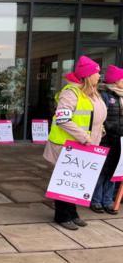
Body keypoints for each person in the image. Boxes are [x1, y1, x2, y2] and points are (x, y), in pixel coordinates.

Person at [44, 55, 107, 230]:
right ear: (88, 75)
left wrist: (99, 131)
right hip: (68, 145)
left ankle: (72, 213)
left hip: (84, 145)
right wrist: (84, 137)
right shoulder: (71, 93)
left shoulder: (93, 93)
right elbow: (63, 119)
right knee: (65, 181)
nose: (99, 76)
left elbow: (94, 118)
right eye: (96, 73)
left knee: (77, 181)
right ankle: (62, 215)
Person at [90, 65, 123, 215]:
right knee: (102, 171)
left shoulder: (121, 96)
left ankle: (108, 200)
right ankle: (96, 200)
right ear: (116, 81)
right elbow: (100, 118)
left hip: (119, 141)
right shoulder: (103, 95)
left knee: (115, 171)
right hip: (106, 139)